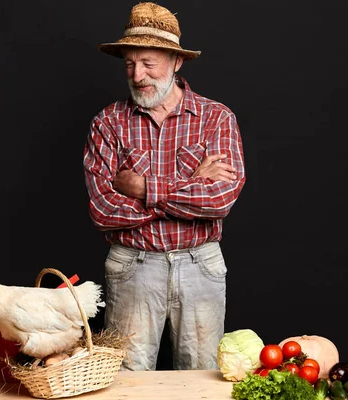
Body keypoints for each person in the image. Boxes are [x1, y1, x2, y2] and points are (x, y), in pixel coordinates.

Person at [83, 2, 246, 371]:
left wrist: (142, 188)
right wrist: (190, 185)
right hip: (133, 266)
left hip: (200, 263)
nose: (137, 74)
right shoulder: (108, 123)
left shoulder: (216, 118)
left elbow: (220, 200)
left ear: (176, 61)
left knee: (204, 378)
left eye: (148, 63)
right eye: (129, 63)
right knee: (127, 381)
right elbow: (103, 210)